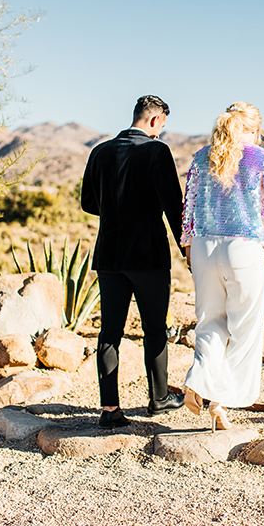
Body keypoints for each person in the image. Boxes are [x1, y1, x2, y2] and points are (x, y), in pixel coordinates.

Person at [180, 102, 264, 431]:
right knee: (245, 329)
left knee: (210, 322)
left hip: (203, 246)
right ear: (254, 129)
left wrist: (188, 244)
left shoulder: (201, 157)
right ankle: (221, 396)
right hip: (242, 247)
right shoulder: (263, 158)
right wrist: (263, 237)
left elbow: (189, 205)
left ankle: (202, 383)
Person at [81, 94, 185, 428]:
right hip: (148, 255)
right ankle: (158, 399)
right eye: (162, 127)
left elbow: (87, 203)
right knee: (154, 328)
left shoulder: (100, 151)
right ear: (155, 120)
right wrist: (187, 249)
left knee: (109, 332)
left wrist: (115, 209)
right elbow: (173, 205)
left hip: (109, 255)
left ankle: (109, 411)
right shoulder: (157, 151)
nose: (161, 133)